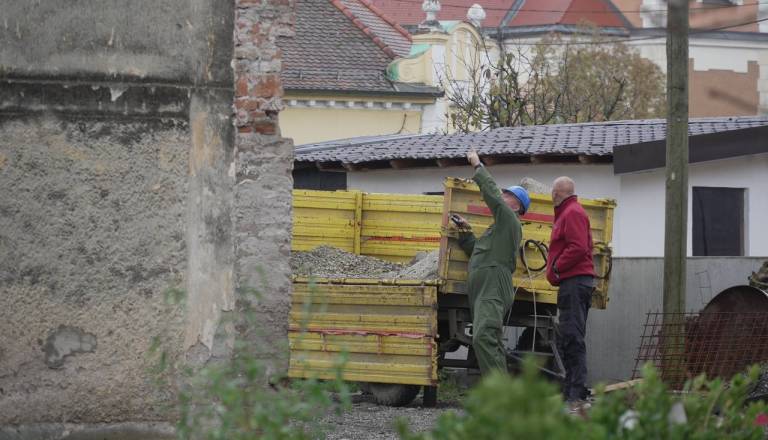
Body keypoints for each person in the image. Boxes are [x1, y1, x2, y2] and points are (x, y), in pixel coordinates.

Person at [451, 150, 530, 375]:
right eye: (503, 193)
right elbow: (477, 252)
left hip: (494, 286)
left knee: (484, 335)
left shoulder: (510, 221)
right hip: (484, 289)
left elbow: (493, 196)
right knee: (488, 339)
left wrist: (478, 165)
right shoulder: (497, 229)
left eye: (507, 195)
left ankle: (499, 394)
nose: (502, 196)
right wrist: (466, 231)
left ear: (516, 206)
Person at [546, 176, 595, 404]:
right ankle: (571, 390)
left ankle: (576, 391)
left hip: (575, 283)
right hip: (572, 283)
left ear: (556, 194)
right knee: (568, 336)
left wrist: (556, 266)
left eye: (551, 193)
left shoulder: (572, 213)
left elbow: (578, 247)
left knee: (573, 337)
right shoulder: (570, 212)